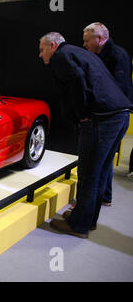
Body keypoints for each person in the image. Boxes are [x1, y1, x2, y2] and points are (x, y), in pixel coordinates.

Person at [38, 32, 132, 238]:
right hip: (120, 115)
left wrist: (82, 115)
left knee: (88, 174)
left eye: (42, 49)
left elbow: (77, 80)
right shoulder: (80, 52)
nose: (40, 54)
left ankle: (78, 225)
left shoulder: (60, 56)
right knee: (99, 171)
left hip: (101, 119)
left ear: (53, 45)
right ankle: (88, 220)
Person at [82, 23, 133, 202]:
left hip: (112, 116)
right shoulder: (105, 55)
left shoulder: (116, 56)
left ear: (100, 39)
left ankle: (93, 201)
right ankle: (105, 196)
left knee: (97, 163)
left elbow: (118, 89)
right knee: (105, 160)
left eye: (87, 41)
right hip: (116, 115)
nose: (85, 45)